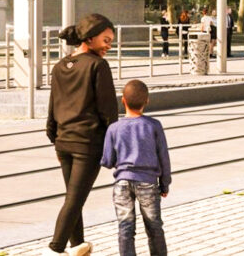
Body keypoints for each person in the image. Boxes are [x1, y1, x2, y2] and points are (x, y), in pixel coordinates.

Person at [45, 13, 118, 256]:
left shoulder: (59, 66)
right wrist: (114, 147)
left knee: (73, 198)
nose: (109, 46)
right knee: (75, 200)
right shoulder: (98, 66)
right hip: (88, 144)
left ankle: (78, 246)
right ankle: (55, 249)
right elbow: (108, 111)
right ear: (91, 37)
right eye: (106, 40)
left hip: (64, 142)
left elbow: (53, 106)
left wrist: (55, 140)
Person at [102, 80, 171, 256]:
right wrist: (164, 184)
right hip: (148, 183)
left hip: (122, 183)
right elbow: (163, 157)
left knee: (125, 227)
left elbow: (108, 160)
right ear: (147, 101)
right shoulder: (154, 125)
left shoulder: (114, 128)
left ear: (123, 100)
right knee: (154, 226)